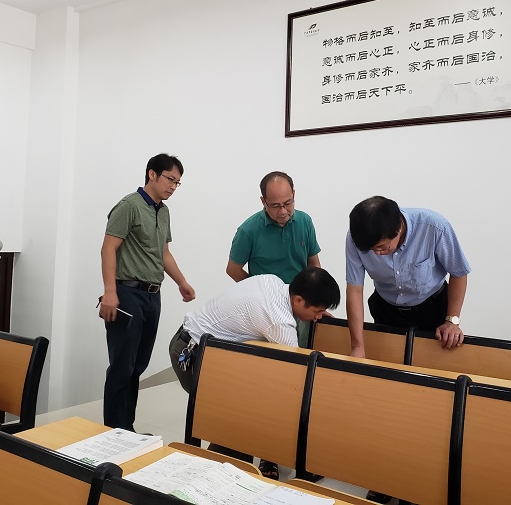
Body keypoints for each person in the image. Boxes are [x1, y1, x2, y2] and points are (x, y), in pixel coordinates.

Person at [345, 196, 470, 504]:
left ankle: (418, 481)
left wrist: (452, 320)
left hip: (432, 312)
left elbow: (459, 272)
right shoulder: (358, 236)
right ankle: (387, 477)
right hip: (387, 311)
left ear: (399, 229)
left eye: (381, 247)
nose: (376, 253)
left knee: (428, 400)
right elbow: (355, 289)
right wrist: (358, 346)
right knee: (388, 396)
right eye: (371, 250)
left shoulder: (434, 227)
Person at [169, 267, 340, 479]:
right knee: (243, 422)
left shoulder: (273, 281)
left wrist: (316, 311)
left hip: (192, 344)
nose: (318, 317)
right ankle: (216, 479)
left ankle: (225, 469)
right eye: (317, 311)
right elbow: (298, 371)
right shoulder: (278, 319)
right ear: (298, 300)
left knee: (243, 416)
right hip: (192, 357)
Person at [99, 153, 195, 431]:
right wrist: (109, 292)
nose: (173, 187)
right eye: (170, 179)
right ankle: (113, 432)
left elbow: (164, 253)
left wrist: (181, 282)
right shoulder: (129, 206)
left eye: (177, 183)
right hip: (126, 293)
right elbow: (108, 249)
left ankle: (125, 429)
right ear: (152, 174)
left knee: (137, 365)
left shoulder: (163, 211)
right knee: (122, 366)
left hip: (152, 296)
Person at [226, 171, 321, 347]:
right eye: (276, 206)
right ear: (263, 201)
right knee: (273, 356)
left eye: (287, 203)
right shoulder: (248, 231)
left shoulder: (305, 221)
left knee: (302, 353)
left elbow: (314, 264)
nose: (283, 211)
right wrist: (260, 293)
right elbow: (232, 270)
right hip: (268, 311)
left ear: (294, 194)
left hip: (301, 303)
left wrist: (317, 302)